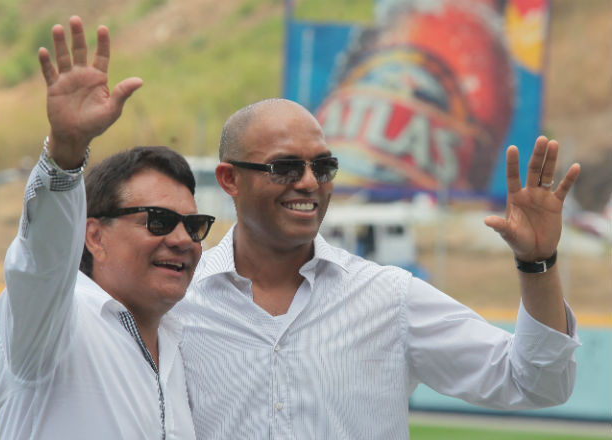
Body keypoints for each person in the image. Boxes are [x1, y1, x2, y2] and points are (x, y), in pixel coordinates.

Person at [172, 98, 581, 439]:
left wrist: (538, 263)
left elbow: (536, 383)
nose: (311, 182)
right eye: (286, 168)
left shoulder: (389, 297)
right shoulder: (174, 303)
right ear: (229, 180)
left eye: (324, 166)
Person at [0, 17, 212, 439]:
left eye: (195, 224)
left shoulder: (179, 340)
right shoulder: (58, 322)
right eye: (159, 221)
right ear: (94, 236)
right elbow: (43, 258)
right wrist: (66, 153)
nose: (183, 239)